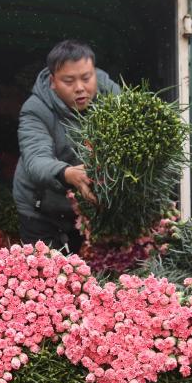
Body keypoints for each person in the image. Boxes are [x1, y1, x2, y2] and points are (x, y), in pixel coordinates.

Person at [13, 39, 120, 254]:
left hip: (92, 208)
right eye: (69, 81)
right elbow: (35, 160)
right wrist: (67, 173)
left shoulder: (112, 95)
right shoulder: (35, 109)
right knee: (46, 277)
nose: (80, 88)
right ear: (53, 81)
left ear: (94, 72)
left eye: (86, 78)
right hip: (40, 207)